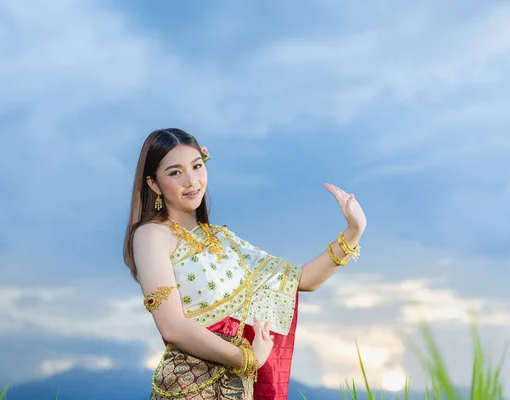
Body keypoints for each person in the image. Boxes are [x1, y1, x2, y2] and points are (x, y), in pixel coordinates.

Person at [123, 128, 367, 400]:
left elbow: (304, 280)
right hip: (190, 388)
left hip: (237, 389)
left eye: (197, 166)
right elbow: (171, 326)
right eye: (175, 172)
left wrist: (354, 231)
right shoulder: (152, 235)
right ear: (154, 183)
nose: (192, 181)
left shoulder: (224, 241)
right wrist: (246, 359)